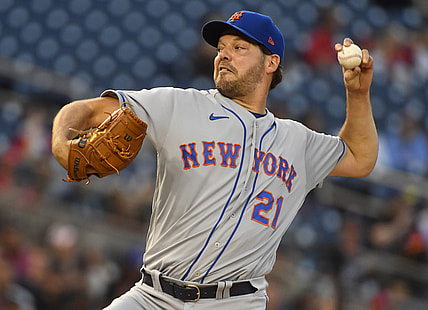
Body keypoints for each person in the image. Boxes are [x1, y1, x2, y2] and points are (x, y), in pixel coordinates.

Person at [51, 10, 378, 310]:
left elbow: (360, 157)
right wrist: (61, 141)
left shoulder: (298, 141)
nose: (223, 54)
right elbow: (90, 109)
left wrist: (358, 95)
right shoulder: (179, 105)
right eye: (221, 47)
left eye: (239, 47)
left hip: (235, 302)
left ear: (271, 63)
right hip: (153, 296)